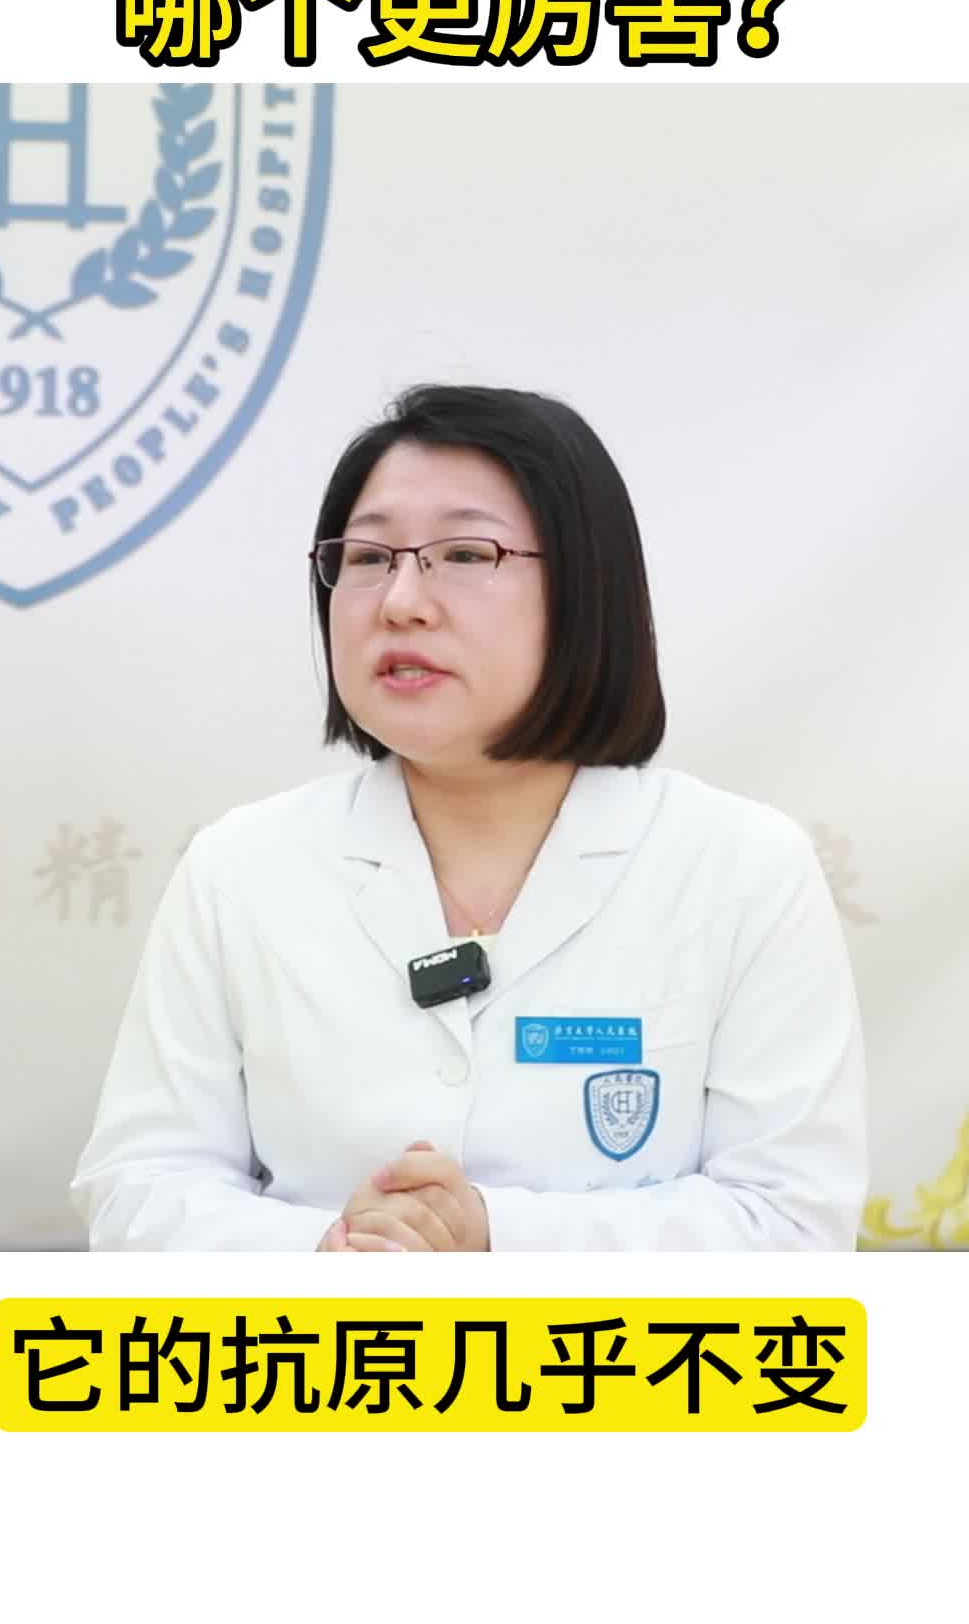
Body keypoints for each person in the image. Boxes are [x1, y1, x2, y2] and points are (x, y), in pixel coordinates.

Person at [70, 383, 867, 1252]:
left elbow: (792, 1222)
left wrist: (493, 1236)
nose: (401, 601)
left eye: (462, 553)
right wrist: (327, 1256)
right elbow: (139, 1189)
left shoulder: (742, 866)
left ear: (586, 588)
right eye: (368, 557)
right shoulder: (241, 867)